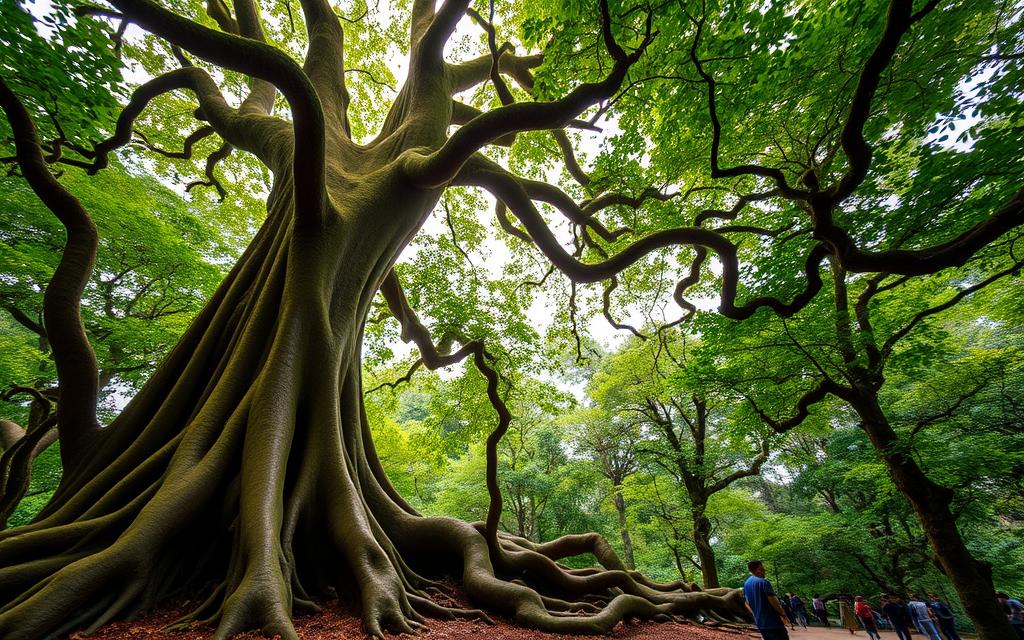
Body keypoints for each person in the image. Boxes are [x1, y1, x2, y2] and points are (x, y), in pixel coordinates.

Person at [743, 560, 790, 640]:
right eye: (763, 568)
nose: (764, 571)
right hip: (773, 623)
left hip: (760, 623)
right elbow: (774, 602)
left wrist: (755, 614)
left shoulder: (746, 584)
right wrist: (784, 615)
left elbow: (746, 603)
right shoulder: (764, 582)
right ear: (758, 569)